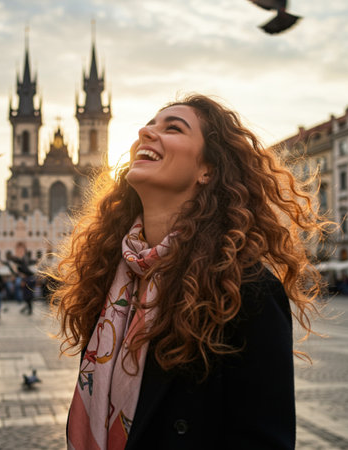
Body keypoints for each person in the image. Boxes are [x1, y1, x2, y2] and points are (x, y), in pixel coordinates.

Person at [49, 94, 330, 449]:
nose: (145, 132)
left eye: (173, 128)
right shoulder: (108, 277)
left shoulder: (244, 288)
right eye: (149, 125)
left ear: (207, 170)